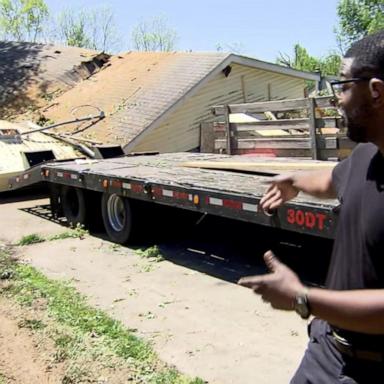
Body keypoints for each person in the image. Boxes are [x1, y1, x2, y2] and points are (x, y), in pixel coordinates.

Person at [239, 30, 384, 383]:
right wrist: (293, 182)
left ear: (376, 91)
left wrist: (303, 299)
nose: (337, 99)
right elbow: (333, 180)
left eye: (344, 85)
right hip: (326, 351)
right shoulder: (367, 155)